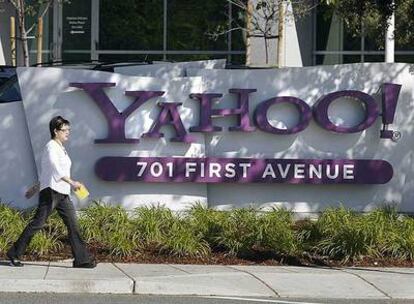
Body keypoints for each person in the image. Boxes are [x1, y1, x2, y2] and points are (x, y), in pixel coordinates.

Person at [7, 116, 96, 268]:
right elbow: (54, 168)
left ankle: (81, 260)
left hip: (62, 193)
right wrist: (72, 182)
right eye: (64, 130)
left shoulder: (61, 147)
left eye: (69, 129)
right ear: (55, 131)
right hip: (51, 193)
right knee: (37, 223)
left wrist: (35, 187)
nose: (67, 132)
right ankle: (14, 253)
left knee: (73, 225)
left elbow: (47, 172)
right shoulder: (51, 147)